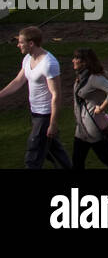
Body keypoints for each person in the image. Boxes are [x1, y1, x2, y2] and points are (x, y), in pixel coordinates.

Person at [0, 26, 72, 169]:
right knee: (52, 148)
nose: (18, 45)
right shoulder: (28, 58)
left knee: (33, 153)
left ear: (31, 43)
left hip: (44, 115)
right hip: (35, 112)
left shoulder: (49, 64)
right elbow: (18, 81)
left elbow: (56, 95)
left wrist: (53, 123)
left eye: (21, 42)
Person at [70, 48, 108, 170]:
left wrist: (101, 108)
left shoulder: (94, 78)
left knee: (107, 158)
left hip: (92, 128)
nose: (73, 60)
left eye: (76, 58)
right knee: (77, 161)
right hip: (81, 128)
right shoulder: (82, 77)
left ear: (84, 62)